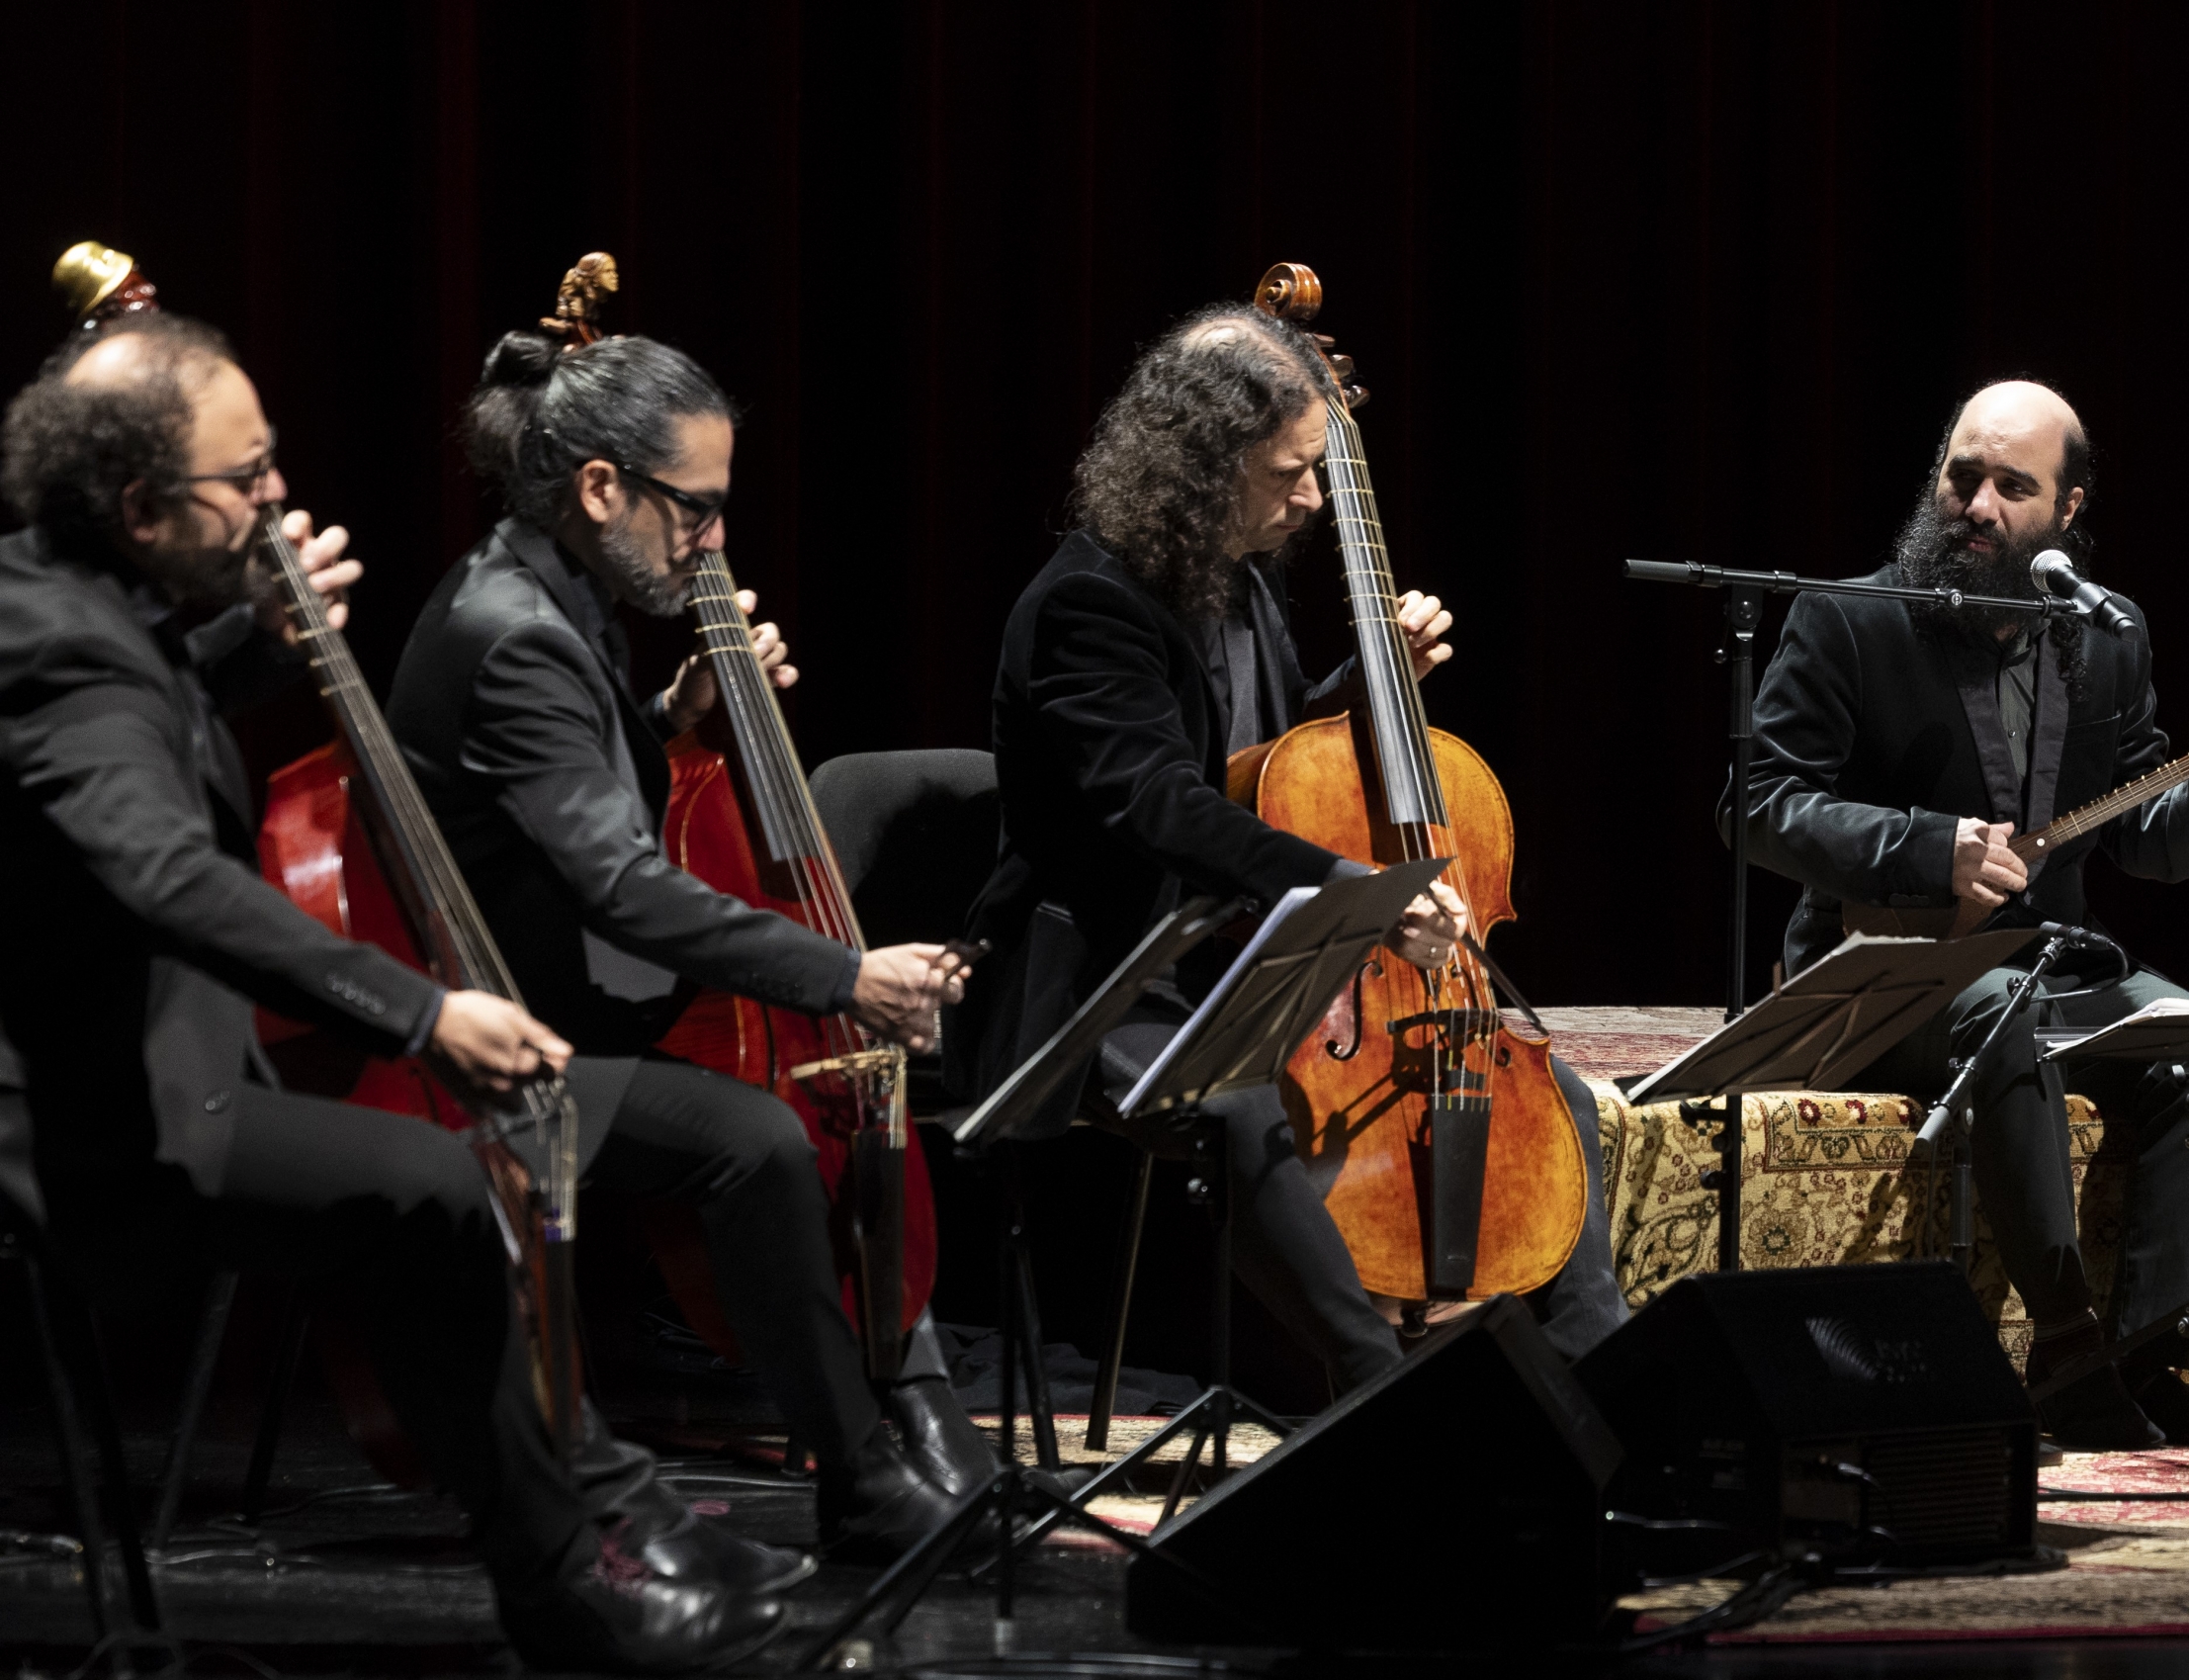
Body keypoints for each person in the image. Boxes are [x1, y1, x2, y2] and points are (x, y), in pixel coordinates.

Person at [0, 309, 801, 1669]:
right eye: (244, 477)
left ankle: (593, 1529)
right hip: (83, 1123)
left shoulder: (70, 601)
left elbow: (144, 713)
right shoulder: (56, 646)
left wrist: (252, 648)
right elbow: (162, 869)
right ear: (139, 506)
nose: (275, 498)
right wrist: (424, 1012)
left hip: (147, 1067)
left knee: (436, 1195)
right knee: (431, 1190)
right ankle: (572, 1566)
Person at [949, 304, 1629, 1395]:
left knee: (1561, 1097)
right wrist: (1364, 895)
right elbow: (1166, 808)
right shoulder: (1088, 604)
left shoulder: (1239, 574)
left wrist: (1365, 687)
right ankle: (1377, 1389)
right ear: (1196, 468)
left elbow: (1260, 767)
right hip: (1110, 974)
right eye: (1289, 472)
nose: (1315, 498)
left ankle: (1605, 1379)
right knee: (1242, 1103)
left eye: (1317, 467)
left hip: (1246, 957)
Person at [388, 320, 985, 1560]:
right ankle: (868, 1477)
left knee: (771, 1120)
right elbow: (622, 885)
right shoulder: (517, 630)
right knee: (757, 1137)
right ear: (601, 486)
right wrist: (844, 974)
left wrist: (671, 711)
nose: (712, 539)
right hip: (495, 1042)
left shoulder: (550, 589)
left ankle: (884, 1439)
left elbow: (565, 788)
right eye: (695, 507)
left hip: (563, 1003)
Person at [1733, 378, 2189, 1450]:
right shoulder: (1850, 618)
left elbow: (2137, 829)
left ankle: (2149, 1355)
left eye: (2012, 487)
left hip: (2053, 960)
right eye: (1962, 476)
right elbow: (1758, 805)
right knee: (2000, 1015)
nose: (1977, 506)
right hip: (1888, 970)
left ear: (2068, 508)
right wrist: (1926, 846)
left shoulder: (2109, 633)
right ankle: (2069, 1354)